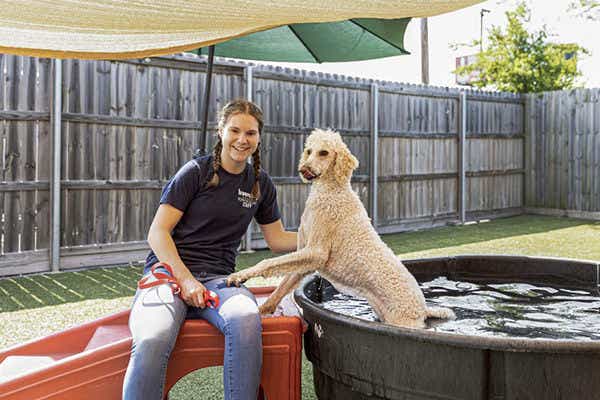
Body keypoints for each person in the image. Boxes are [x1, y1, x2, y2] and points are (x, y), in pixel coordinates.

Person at [122, 99, 298, 400]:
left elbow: (278, 239)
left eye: (251, 133)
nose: (243, 140)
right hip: (168, 275)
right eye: (235, 130)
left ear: (259, 138)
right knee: (153, 336)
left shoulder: (260, 184)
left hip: (220, 280)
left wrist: (325, 239)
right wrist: (186, 279)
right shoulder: (195, 172)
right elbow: (157, 232)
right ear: (221, 131)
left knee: (245, 318)